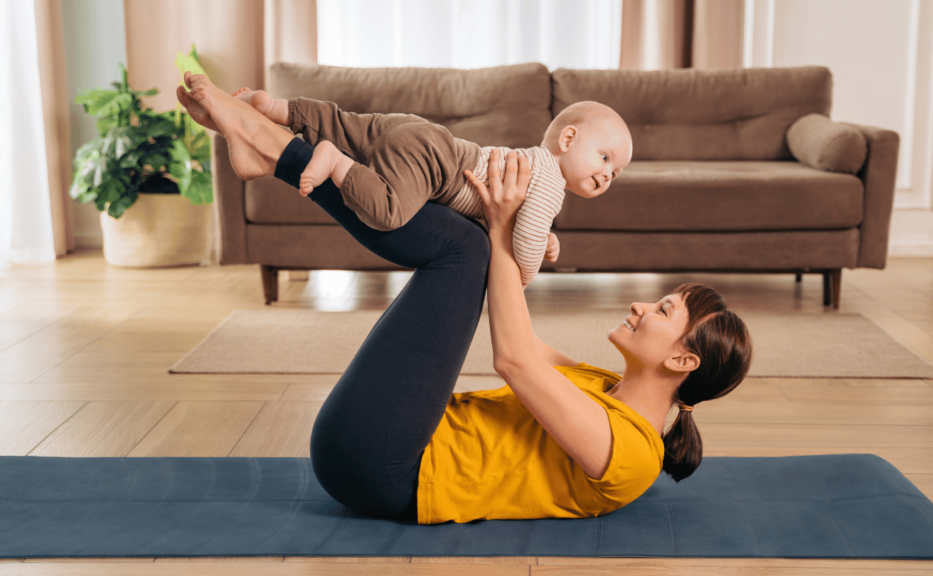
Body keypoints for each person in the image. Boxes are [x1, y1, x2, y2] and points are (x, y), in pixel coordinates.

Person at [175, 72, 752, 525]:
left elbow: (514, 359)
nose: (641, 307)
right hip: (389, 438)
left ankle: (274, 142)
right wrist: (508, 228)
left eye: (663, 311)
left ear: (683, 360)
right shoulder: (603, 387)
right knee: (466, 243)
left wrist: (505, 231)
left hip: (386, 470)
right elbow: (523, 338)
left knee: (470, 250)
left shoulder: (630, 455)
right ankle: (274, 144)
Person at [188, 83, 631, 287]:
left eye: (615, 174)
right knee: (387, 211)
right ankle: (333, 161)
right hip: (435, 164)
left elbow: (524, 222)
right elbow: (527, 239)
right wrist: (528, 274)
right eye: (605, 158)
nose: (607, 175)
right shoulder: (551, 183)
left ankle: (275, 109)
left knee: (347, 124)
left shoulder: (534, 169)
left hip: (420, 133)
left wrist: (545, 238)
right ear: (568, 139)